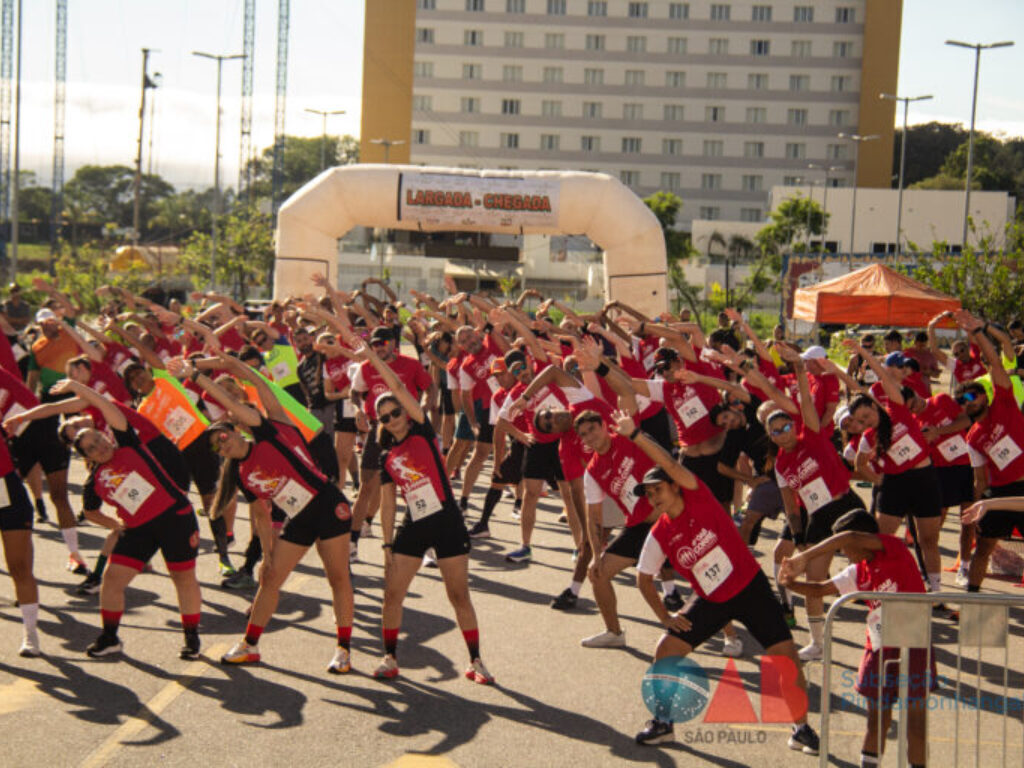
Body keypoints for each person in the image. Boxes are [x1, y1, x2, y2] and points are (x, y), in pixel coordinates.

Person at [622, 409, 819, 753]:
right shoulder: (660, 533)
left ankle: (801, 728)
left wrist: (636, 435)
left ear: (673, 485)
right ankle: (663, 723)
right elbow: (642, 578)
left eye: (657, 489)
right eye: (648, 494)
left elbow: (669, 464)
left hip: (751, 589)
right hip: (712, 600)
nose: (653, 497)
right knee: (666, 649)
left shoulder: (699, 497)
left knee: (786, 656)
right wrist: (665, 617)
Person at [188, 354, 355, 673]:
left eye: (222, 436)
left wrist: (202, 374)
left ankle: (343, 650)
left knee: (337, 577)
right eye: (215, 447)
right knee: (271, 578)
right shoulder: (242, 473)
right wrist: (267, 554)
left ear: (235, 430)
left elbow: (254, 387)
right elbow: (261, 515)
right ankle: (250, 645)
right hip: (300, 518)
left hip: (327, 505)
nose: (222, 445)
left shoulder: (269, 430)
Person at [367, 335, 494, 684]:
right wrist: (387, 546)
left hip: (448, 521)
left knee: (458, 595)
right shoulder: (386, 456)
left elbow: (395, 384)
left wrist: (369, 356)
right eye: (385, 416)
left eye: (396, 412)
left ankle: (476, 661)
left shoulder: (422, 431)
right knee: (393, 593)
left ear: (406, 414)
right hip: (415, 524)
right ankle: (390, 657)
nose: (392, 418)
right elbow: (388, 504)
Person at [61, 378, 204, 660]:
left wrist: (79, 386)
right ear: (86, 457)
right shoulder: (95, 481)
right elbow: (90, 511)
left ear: (106, 435)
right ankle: (110, 637)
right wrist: (114, 525)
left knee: (183, 578)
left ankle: (191, 637)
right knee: (112, 580)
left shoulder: (128, 443)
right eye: (91, 448)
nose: (99, 447)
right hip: (138, 531)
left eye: (98, 439)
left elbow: (105, 405)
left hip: (175, 518)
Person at [780, 510, 933, 768]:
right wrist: (789, 582)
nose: (844, 554)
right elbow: (819, 589)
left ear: (862, 540)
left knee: (916, 724)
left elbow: (848, 536)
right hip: (880, 647)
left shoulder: (892, 547)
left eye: (845, 548)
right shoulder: (857, 571)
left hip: (913, 644)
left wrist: (804, 556)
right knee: (876, 721)